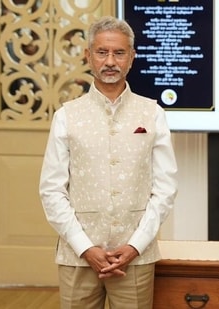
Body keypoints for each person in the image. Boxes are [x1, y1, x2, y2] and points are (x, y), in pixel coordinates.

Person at [39, 16, 178, 308]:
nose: (110, 61)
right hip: (77, 256)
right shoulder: (66, 115)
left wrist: (134, 246)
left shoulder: (152, 113)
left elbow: (165, 189)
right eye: (102, 52)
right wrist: (85, 246)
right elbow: (51, 191)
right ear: (88, 56)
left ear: (131, 58)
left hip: (135, 257)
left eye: (119, 53)